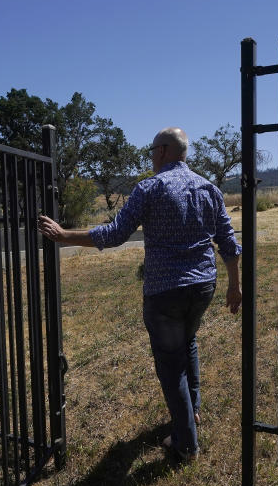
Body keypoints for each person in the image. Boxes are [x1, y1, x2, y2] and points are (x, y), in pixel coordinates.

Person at [38, 126, 242, 460]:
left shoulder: (150, 188)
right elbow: (229, 244)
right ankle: (194, 411)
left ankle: (185, 444)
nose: (150, 157)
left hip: (166, 292)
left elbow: (116, 233)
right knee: (187, 342)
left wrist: (64, 235)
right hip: (203, 287)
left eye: (151, 151)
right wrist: (235, 285)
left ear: (162, 151)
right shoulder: (209, 188)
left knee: (170, 363)